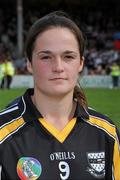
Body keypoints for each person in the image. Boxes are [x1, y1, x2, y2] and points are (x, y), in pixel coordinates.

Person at [0, 11, 120, 180]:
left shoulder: (107, 133)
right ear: (29, 63)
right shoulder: (3, 134)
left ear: (81, 63)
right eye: (46, 57)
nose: (58, 67)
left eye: (68, 56)